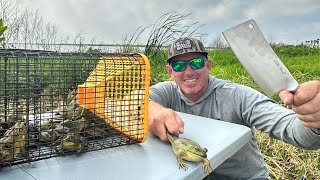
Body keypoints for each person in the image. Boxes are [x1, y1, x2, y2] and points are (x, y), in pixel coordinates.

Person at [148, 37, 320, 179]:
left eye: (196, 62)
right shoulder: (166, 92)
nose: (188, 71)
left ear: (208, 65)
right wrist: (153, 110)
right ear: (170, 71)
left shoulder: (237, 96)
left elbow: (293, 130)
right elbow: (133, 100)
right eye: (179, 65)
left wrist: (314, 121)